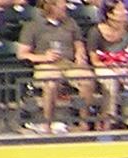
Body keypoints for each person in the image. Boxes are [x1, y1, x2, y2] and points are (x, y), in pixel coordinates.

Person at [17, 0, 98, 134]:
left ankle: (84, 123)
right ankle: (47, 124)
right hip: (45, 65)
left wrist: (80, 55)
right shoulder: (32, 26)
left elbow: (79, 44)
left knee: (87, 80)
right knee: (51, 83)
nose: (65, 7)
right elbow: (22, 54)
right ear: (51, 7)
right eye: (61, 5)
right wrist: (44, 57)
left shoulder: (70, 23)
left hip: (68, 64)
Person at [87, 0, 128, 129]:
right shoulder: (96, 32)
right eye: (120, 10)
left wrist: (125, 67)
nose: (125, 12)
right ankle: (109, 119)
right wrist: (111, 67)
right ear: (110, 14)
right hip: (103, 66)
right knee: (110, 79)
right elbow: (94, 60)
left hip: (124, 65)